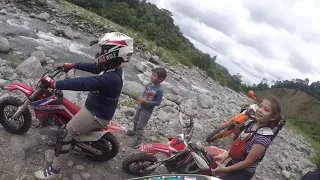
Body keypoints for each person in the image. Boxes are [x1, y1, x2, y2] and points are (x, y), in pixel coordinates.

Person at [34, 32, 134, 179]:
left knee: (65, 134)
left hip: (97, 114)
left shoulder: (112, 78)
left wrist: (55, 83)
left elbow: (84, 83)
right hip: (92, 105)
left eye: (104, 50)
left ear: (113, 53)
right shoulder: (110, 68)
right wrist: (73, 65)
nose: (100, 53)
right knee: (63, 111)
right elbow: (94, 68)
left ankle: (55, 171)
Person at [212, 97, 285, 180]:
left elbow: (248, 162)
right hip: (233, 163)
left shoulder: (263, 137)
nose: (260, 110)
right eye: (260, 106)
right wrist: (225, 156)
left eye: (266, 110)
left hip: (242, 173)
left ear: (273, 117)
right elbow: (238, 144)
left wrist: (225, 169)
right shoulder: (251, 124)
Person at [126, 67, 167, 148]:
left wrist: (147, 102)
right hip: (140, 106)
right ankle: (134, 132)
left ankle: (138, 140)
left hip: (146, 111)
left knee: (140, 126)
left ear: (160, 79)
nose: (151, 76)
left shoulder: (159, 90)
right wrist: (140, 97)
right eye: (152, 74)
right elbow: (144, 92)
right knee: (135, 120)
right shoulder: (149, 84)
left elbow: (158, 103)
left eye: (154, 75)